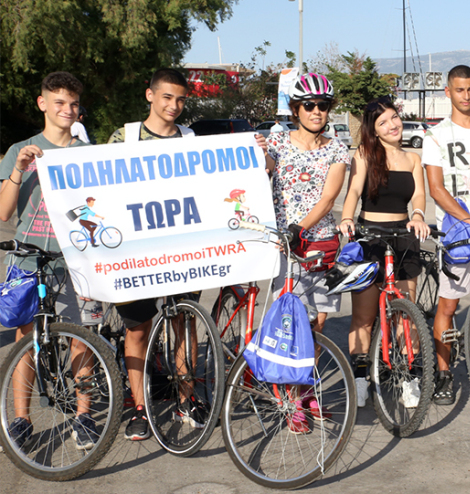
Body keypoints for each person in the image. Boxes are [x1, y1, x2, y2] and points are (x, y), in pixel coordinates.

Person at [107, 68, 269, 441]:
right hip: (137, 251)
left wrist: (252, 153)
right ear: (150, 95)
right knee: (138, 328)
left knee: (184, 321)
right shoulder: (124, 137)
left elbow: (220, 179)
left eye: (181, 100)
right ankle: (140, 409)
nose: (174, 106)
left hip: (184, 251)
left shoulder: (192, 139)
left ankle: (186, 398)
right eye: (167, 97)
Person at [0, 71, 101, 450]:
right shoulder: (19, 149)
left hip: (74, 260)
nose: (67, 110)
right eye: (59, 102)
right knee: (26, 340)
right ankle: (22, 420)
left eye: (73, 104)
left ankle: (84, 415)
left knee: (81, 340)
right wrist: (19, 168)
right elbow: (4, 213)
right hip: (29, 259)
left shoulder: (85, 153)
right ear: (42, 103)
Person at [264, 73, 349, 433]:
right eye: (310, 105)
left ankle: (307, 390)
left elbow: (329, 197)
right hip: (285, 244)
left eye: (324, 106)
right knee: (291, 325)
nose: (317, 112)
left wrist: (301, 228)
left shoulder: (337, 147)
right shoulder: (276, 139)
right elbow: (263, 170)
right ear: (295, 108)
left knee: (316, 326)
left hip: (319, 242)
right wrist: (253, 153)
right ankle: (291, 399)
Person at [339, 97, 430, 408]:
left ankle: (408, 378)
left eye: (394, 118)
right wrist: (347, 218)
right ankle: (361, 376)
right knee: (363, 317)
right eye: (383, 123)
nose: (392, 125)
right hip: (369, 238)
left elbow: (419, 193)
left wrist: (418, 214)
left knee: (408, 313)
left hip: (404, 238)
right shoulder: (365, 154)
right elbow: (353, 190)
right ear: (373, 131)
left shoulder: (413, 159)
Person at [423, 65, 470, 405]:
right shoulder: (435, 136)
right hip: (457, 234)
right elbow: (437, 190)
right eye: (459, 90)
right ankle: (443, 373)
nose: (465, 96)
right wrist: (469, 221)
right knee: (449, 305)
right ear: (447, 92)